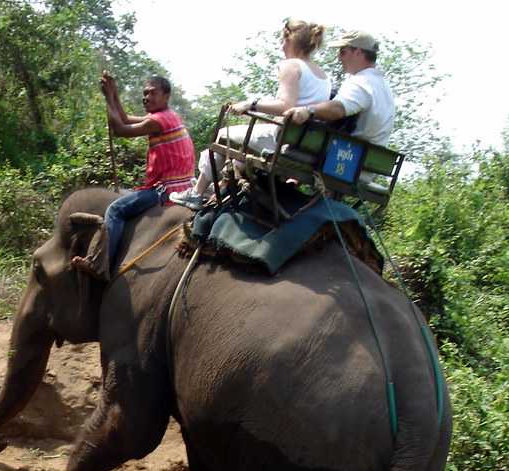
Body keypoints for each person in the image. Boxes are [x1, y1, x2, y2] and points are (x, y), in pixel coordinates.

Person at [170, 19, 330, 210]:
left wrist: (250, 105)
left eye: (283, 41)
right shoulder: (323, 75)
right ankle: (220, 187)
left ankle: (196, 193)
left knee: (223, 134)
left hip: (281, 140)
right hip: (306, 146)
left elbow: (285, 105)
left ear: (290, 40)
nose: (281, 46)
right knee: (241, 144)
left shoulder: (291, 66)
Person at [71, 72, 194, 279]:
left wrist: (109, 97)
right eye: (144, 93)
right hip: (181, 186)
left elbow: (120, 129)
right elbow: (126, 118)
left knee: (116, 210)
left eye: (152, 93)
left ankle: (100, 265)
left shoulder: (159, 120)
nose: (146, 97)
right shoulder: (167, 116)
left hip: (166, 190)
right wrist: (114, 94)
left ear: (166, 96)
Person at [281, 30, 395, 147]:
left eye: (343, 52)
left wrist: (307, 110)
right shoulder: (382, 85)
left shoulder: (363, 82)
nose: (339, 57)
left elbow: (338, 109)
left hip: (345, 153)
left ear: (358, 52)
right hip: (368, 156)